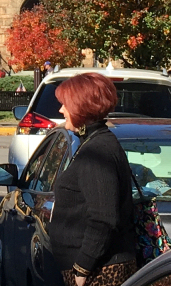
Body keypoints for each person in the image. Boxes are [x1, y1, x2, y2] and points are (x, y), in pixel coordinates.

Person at [49, 72, 139, 286]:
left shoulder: (98, 151)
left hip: (101, 272)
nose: (61, 110)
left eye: (65, 105)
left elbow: (103, 218)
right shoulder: (94, 142)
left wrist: (82, 268)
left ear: (81, 107)